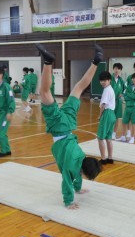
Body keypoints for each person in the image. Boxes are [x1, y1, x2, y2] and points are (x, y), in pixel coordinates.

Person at [35, 43, 103, 208]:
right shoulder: (72, 166)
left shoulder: (82, 157)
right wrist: (68, 202)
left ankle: (96, 60)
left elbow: (77, 175)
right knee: (44, 92)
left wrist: (78, 189)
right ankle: (48, 62)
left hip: (69, 123)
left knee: (79, 87)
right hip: (59, 127)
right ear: (83, 171)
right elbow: (67, 180)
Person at [0, 66, 16, 158]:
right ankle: (7, 150)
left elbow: (11, 100)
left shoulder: (6, 87)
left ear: (1, 75)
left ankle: (3, 151)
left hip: (5, 113)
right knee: (2, 132)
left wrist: (10, 112)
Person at [97, 70, 116, 164]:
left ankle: (103, 159)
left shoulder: (106, 90)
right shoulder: (111, 89)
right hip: (112, 114)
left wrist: (100, 115)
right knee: (108, 138)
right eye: (101, 81)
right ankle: (110, 158)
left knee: (100, 138)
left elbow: (103, 105)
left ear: (109, 80)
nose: (103, 82)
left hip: (107, 113)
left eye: (105, 80)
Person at [120, 72, 135, 144]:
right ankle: (123, 136)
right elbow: (125, 96)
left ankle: (132, 138)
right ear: (132, 79)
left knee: (134, 123)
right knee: (124, 121)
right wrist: (131, 95)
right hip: (128, 107)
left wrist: (129, 95)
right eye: (134, 78)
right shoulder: (128, 87)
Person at [111, 62, 125, 140]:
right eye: (116, 68)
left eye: (119, 69)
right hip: (110, 102)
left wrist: (122, 94)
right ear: (113, 69)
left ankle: (114, 133)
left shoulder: (121, 80)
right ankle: (108, 132)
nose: (117, 70)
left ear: (120, 70)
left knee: (116, 118)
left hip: (118, 102)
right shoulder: (109, 78)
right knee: (110, 117)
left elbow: (125, 90)